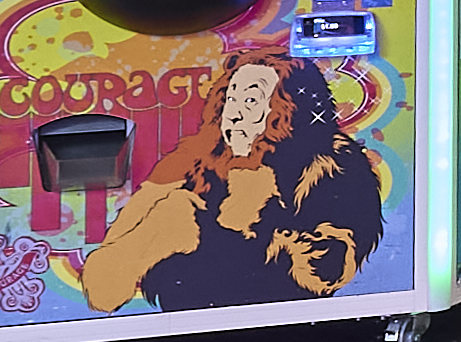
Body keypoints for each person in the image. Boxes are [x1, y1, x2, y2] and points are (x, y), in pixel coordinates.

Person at [133, 43, 389, 308]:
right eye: (231, 100)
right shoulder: (200, 162)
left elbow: (328, 269)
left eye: (252, 101)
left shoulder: (332, 166)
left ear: (288, 110)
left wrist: (262, 223)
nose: (234, 115)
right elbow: (160, 273)